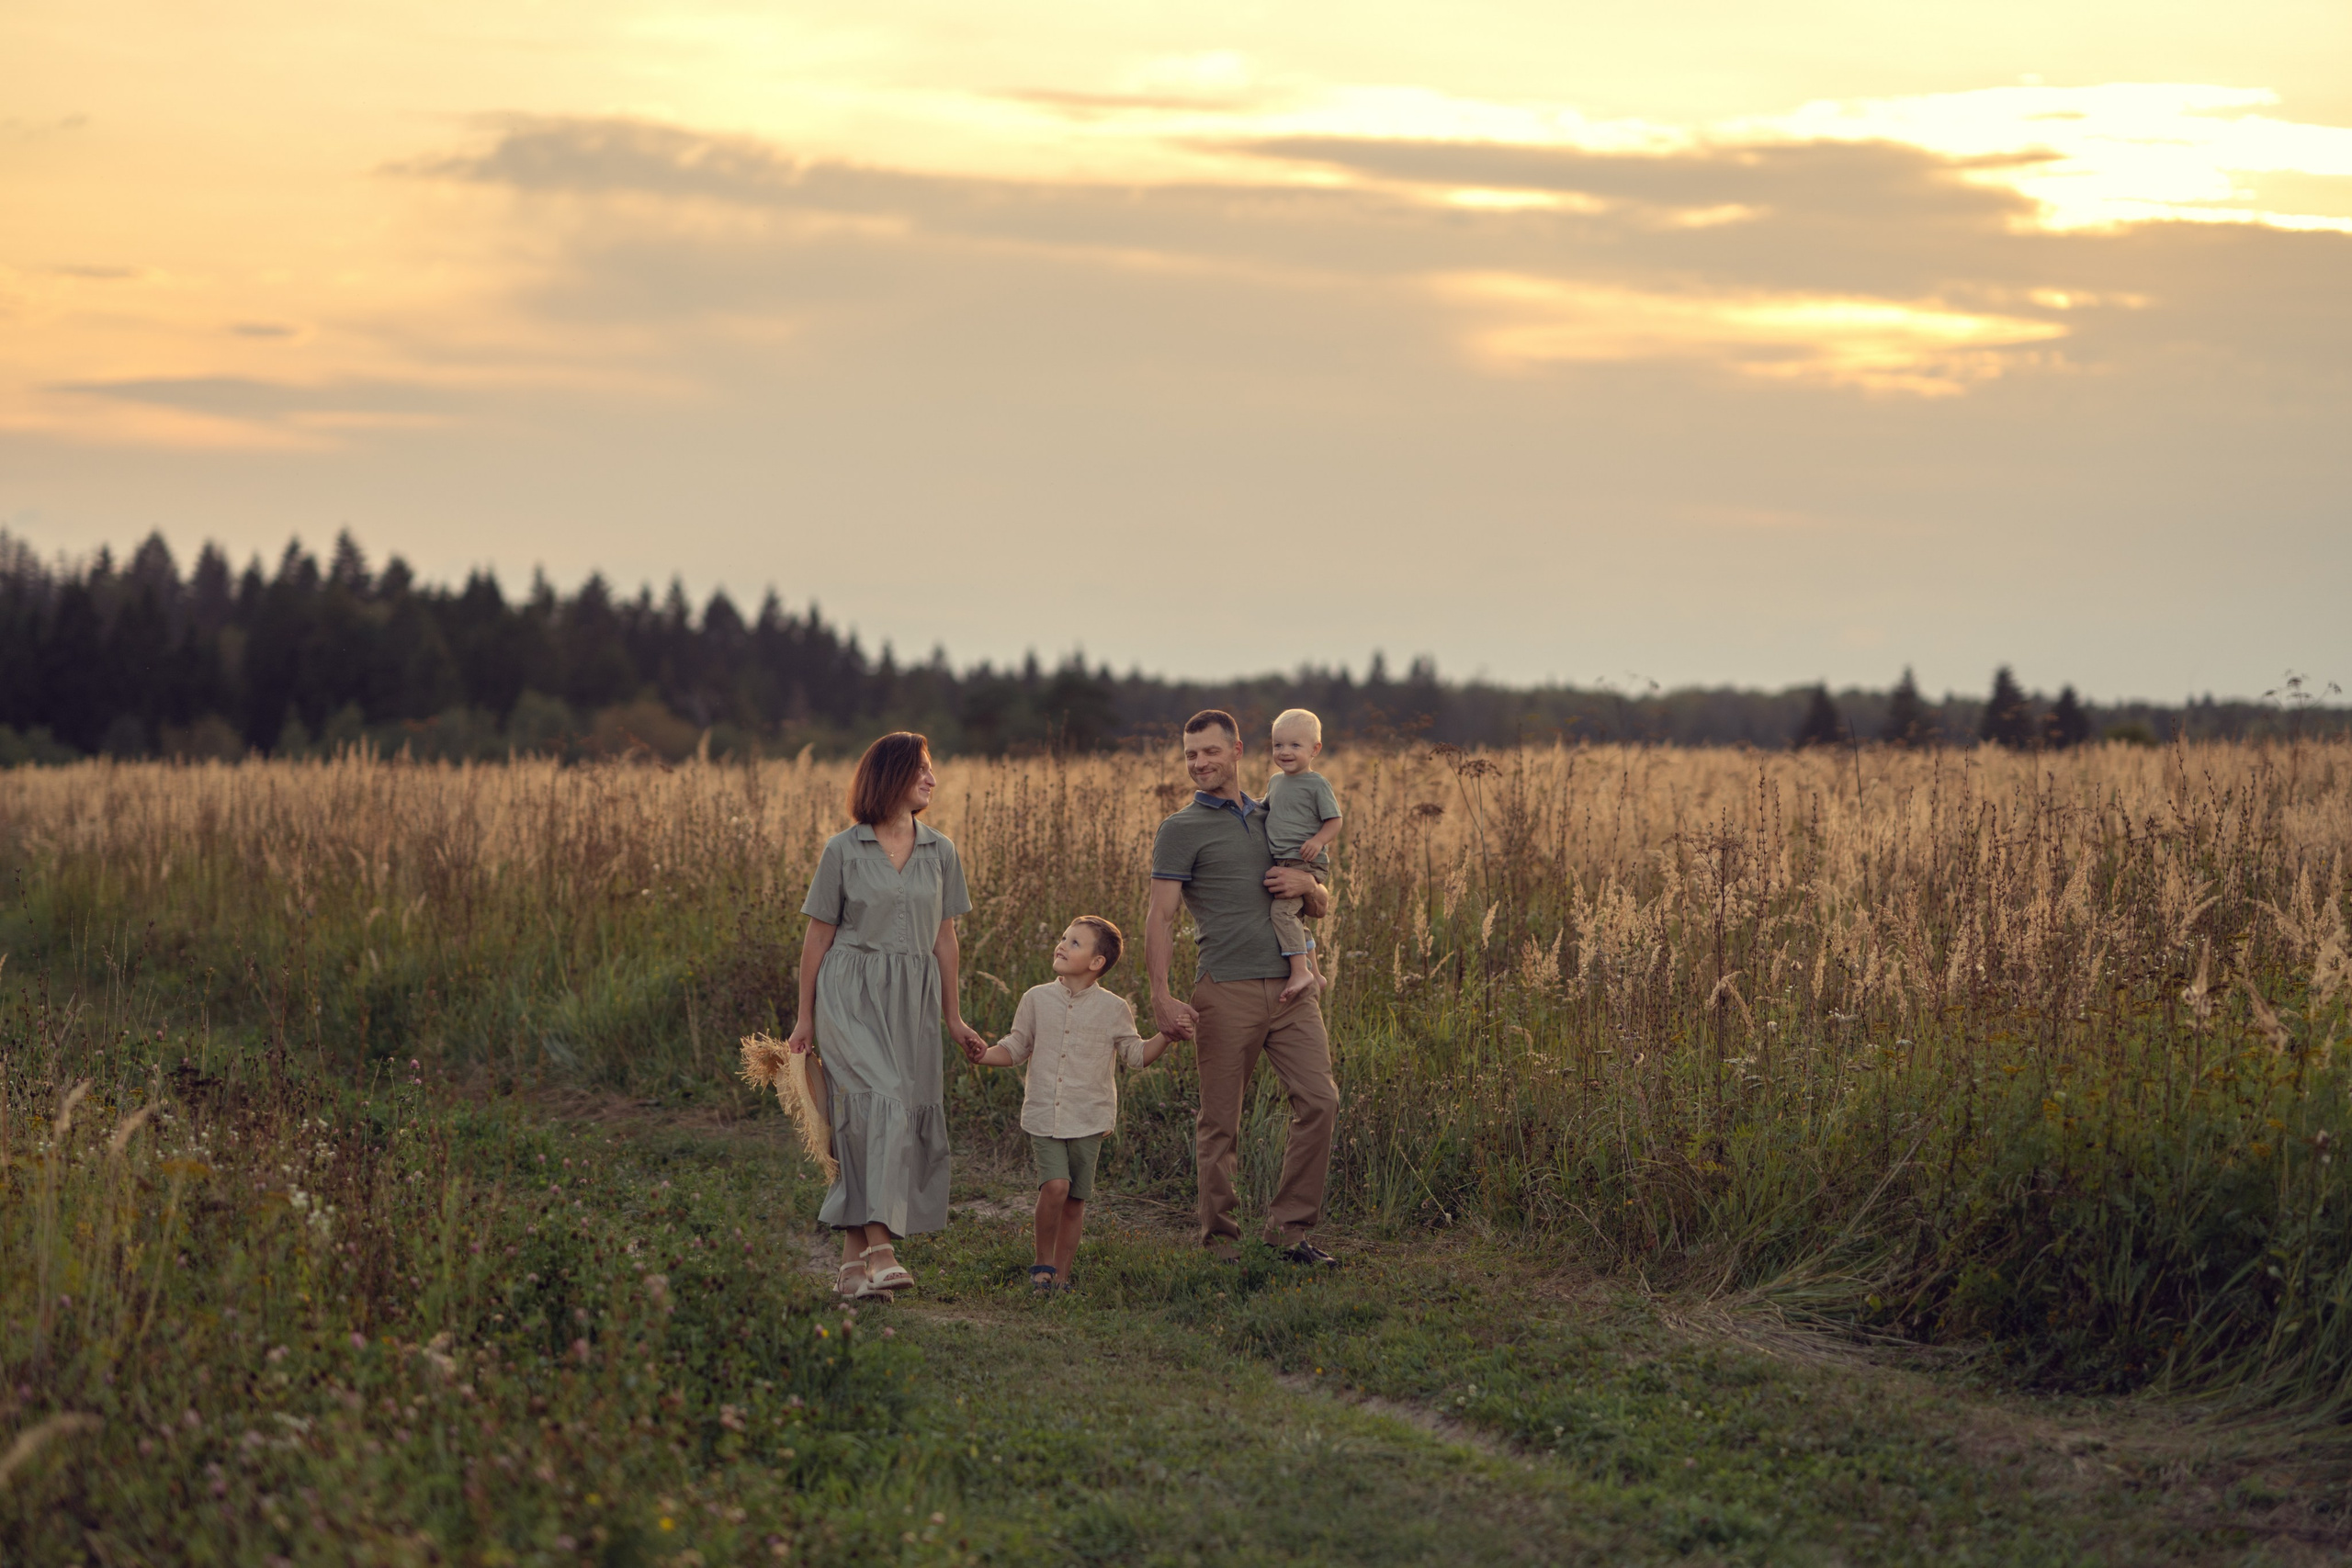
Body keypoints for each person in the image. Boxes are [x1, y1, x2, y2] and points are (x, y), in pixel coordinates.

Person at [786, 732, 989, 1301]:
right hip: (850, 992)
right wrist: (804, 1018)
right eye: (922, 769)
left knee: (878, 1116)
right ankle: (881, 1247)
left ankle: (852, 1270)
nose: (933, 779)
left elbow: (945, 938)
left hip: (914, 1001)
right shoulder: (842, 850)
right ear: (892, 776)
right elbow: (816, 937)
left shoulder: (940, 850)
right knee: (878, 1107)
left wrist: (953, 1017)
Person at [1147, 709, 1343, 1267]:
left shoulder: (1278, 812)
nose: (1199, 763)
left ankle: (1289, 1233)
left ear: (1236, 751)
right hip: (1224, 990)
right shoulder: (1179, 829)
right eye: (1190, 755)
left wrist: (1309, 884)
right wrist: (1161, 995)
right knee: (1220, 1123)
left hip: (1292, 990)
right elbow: (1159, 917)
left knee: (1320, 1103)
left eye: (1210, 751)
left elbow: (1319, 906)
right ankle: (1221, 1244)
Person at [962, 916, 1174, 1291]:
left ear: (1097, 963)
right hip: (1045, 1112)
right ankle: (1041, 1265)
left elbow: (1137, 1056)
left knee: (1075, 1200)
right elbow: (1015, 1048)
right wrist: (983, 1055)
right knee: (1056, 1187)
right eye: (1063, 938)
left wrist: (1168, 1035)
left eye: (1075, 943)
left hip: (1089, 1117)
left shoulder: (1114, 1008)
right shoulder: (1036, 998)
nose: (1061, 945)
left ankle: (1062, 1276)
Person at [1263, 707, 1343, 1005]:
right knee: (1295, 919)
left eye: (1295, 745)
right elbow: (1268, 807)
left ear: (1314, 749)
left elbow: (1335, 820)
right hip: (1283, 859)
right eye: (1278, 745)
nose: (1285, 752)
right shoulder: (1275, 781)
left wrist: (1318, 840)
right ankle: (1317, 973)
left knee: (1281, 913)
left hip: (1305, 861)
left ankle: (1300, 971)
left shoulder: (1317, 784)